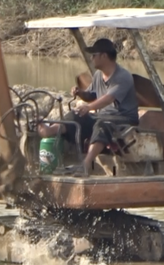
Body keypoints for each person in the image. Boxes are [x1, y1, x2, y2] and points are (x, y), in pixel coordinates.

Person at [38, 38, 139, 176]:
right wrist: (80, 93)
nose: (91, 58)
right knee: (76, 115)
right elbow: (92, 95)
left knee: (102, 124)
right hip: (103, 115)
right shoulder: (98, 75)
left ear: (104, 56)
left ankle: (86, 164)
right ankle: (50, 131)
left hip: (124, 118)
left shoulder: (123, 76)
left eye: (94, 55)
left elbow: (109, 99)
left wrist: (89, 107)